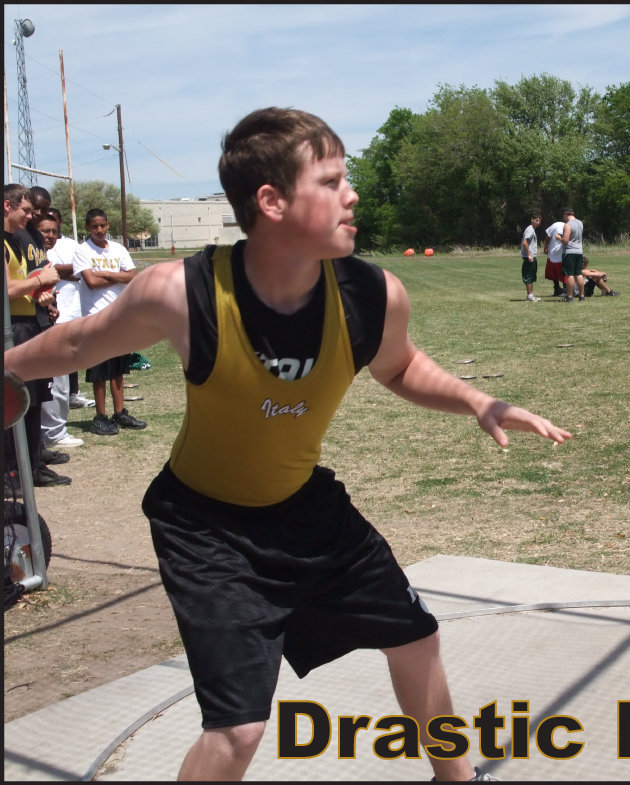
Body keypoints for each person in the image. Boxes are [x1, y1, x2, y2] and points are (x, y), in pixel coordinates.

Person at [4, 107, 572, 782]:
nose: (352, 194)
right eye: (331, 181)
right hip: (205, 528)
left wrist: (478, 399)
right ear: (270, 201)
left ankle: (458, 776)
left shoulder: (371, 294)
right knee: (238, 730)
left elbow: (399, 367)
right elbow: (74, 342)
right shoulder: (182, 293)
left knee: (416, 637)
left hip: (308, 513)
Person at [3, 183, 67, 489]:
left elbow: (23, 283)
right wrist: (41, 279)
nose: (32, 217)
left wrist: (42, 295)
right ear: (8, 206)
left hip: (29, 322)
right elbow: (9, 288)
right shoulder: (5, 242)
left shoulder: (17, 240)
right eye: (28, 210)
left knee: (31, 399)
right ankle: (14, 472)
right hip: (14, 327)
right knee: (16, 400)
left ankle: (29, 466)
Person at [72, 208, 147, 436]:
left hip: (119, 317)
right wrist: (117, 276)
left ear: (108, 225)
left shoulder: (118, 249)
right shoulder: (82, 251)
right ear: (87, 227)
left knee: (118, 369)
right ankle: (100, 416)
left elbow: (133, 276)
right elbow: (91, 282)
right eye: (94, 226)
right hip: (96, 319)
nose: (99, 230)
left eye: (103, 225)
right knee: (99, 371)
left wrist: (107, 273)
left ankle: (120, 412)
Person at [37, 210, 86, 449]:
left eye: (54, 231)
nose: (50, 235)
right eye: (45, 231)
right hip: (37, 326)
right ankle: (52, 432)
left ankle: (55, 430)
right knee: (51, 381)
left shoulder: (50, 254)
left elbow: (82, 272)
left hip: (58, 318)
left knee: (61, 380)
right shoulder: (30, 254)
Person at [47, 207, 95, 412]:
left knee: (72, 352)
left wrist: (56, 270)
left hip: (73, 305)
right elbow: (45, 269)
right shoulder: (42, 243)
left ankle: (72, 393)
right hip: (54, 307)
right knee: (54, 355)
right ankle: (54, 397)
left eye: (54, 222)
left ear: (60, 222)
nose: (50, 229)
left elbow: (82, 270)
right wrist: (58, 270)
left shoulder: (71, 244)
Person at [559, 207, 585, 302]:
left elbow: (565, 240)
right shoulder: (580, 223)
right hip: (579, 251)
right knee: (579, 274)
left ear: (566, 213)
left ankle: (569, 296)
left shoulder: (568, 225)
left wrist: (558, 238)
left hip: (569, 252)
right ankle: (582, 296)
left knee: (569, 274)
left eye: (563, 216)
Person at [520, 213, 541, 302]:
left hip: (532, 257)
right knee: (529, 276)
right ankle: (529, 296)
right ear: (532, 220)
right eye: (536, 220)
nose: (538, 222)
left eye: (539, 221)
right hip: (529, 257)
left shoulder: (532, 229)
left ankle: (531, 296)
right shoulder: (529, 229)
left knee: (532, 276)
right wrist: (529, 255)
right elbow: (525, 242)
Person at [543, 218, 566, 298]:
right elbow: (547, 237)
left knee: (564, 274)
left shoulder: (571, 227)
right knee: (553, 273)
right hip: (552, 253)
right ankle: (557, 289)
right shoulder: (556, 225)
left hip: (563, 254)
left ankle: (566, 289)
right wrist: (546, 247)